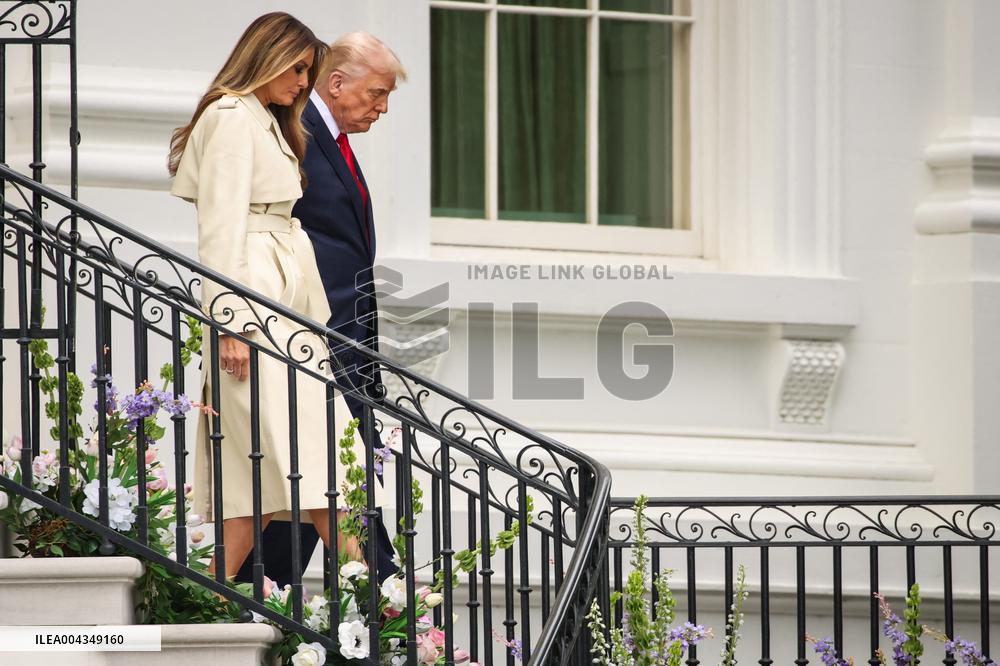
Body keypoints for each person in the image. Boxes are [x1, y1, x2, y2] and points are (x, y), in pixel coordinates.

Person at [168, 12, 375, 580]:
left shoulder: (265, 119)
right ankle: (381, 600)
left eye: (310, 71)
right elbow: (221, 228)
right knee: (301, 461)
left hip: (286, 299)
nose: (305, 83)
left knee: (285, 467)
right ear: (266, 56)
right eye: (299, 68)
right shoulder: (234, 117)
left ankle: (207, 595)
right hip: (255, 301)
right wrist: (230, 322)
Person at [289, 31, 407, 583]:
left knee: (324, 483)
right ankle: (394, 610)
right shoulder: (296, 133)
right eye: (377, 93)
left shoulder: (330, 139)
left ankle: (242, 601)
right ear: (336, 83)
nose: (382, 108)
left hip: (348, 345)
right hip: (317, 340)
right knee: (341, 480)